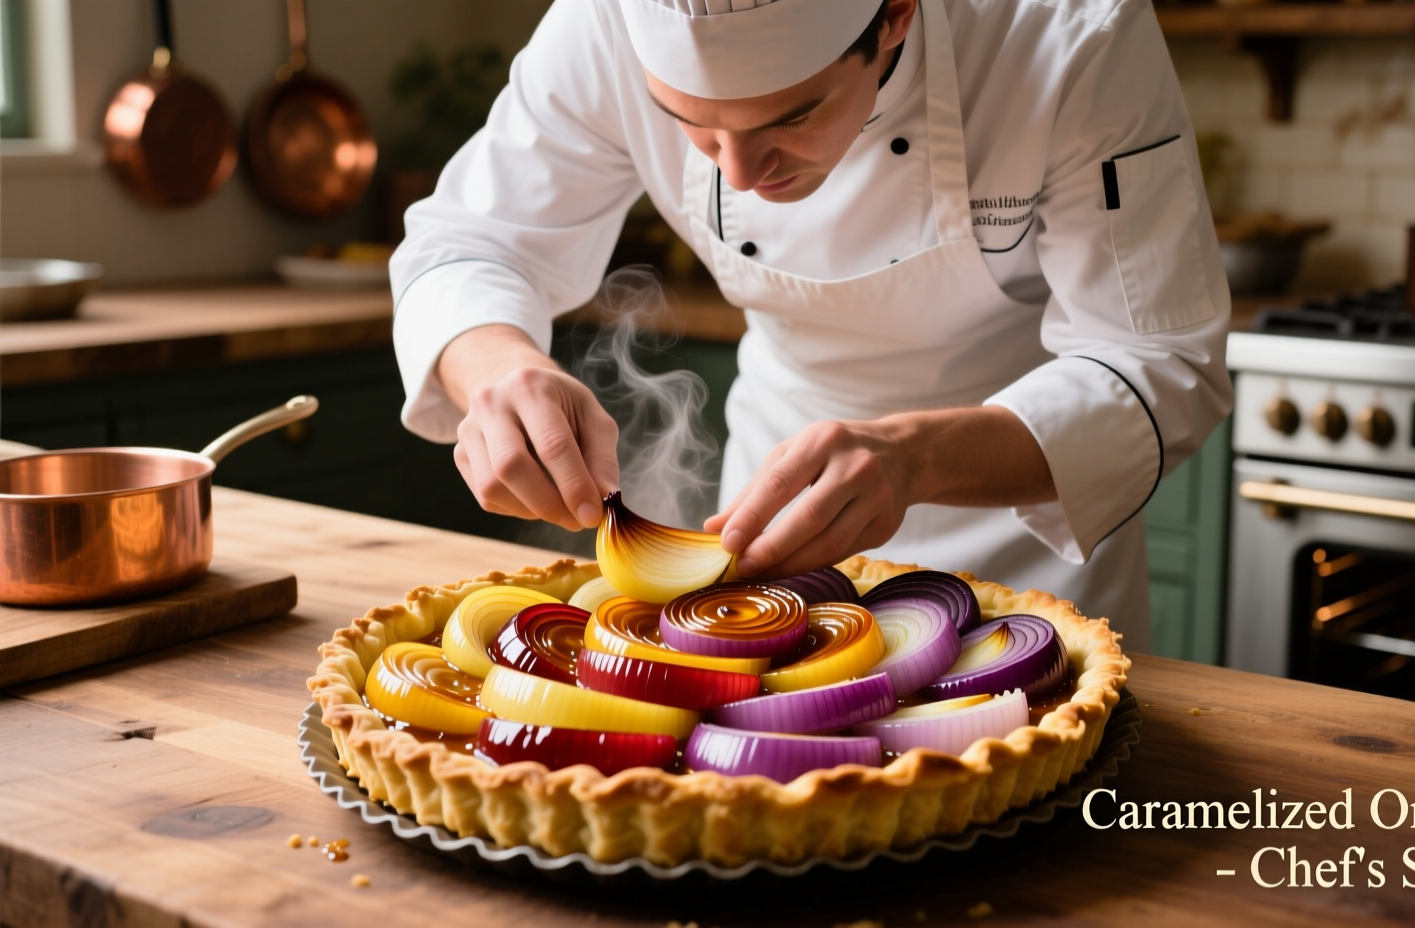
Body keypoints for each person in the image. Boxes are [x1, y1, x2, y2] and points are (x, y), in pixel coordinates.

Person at [391, 0, 1232, 652]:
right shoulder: (606, 24)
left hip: (1027, 505)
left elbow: (1157, 361)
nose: (742, 176)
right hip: (776, 514)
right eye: (690, 123)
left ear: (896, 11)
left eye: (790, 117)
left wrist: (918, 457)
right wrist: (496, 366)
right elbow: (468, 241)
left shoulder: (1067, 33)